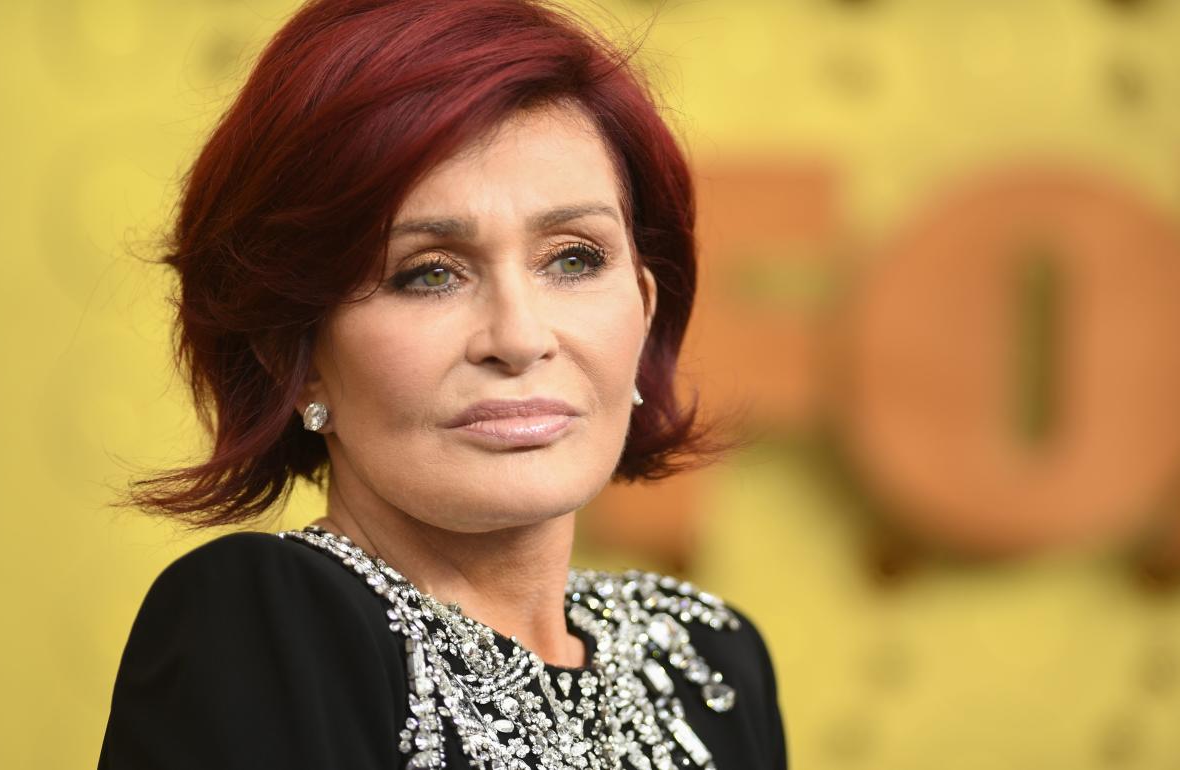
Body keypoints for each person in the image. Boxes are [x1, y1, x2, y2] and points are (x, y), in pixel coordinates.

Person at [97, 1, 787, 768]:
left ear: (647, 311)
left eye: (573, 259)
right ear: (288, 349)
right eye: (429, 273)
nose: (520, 339)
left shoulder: (708, 662)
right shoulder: (266, 623)